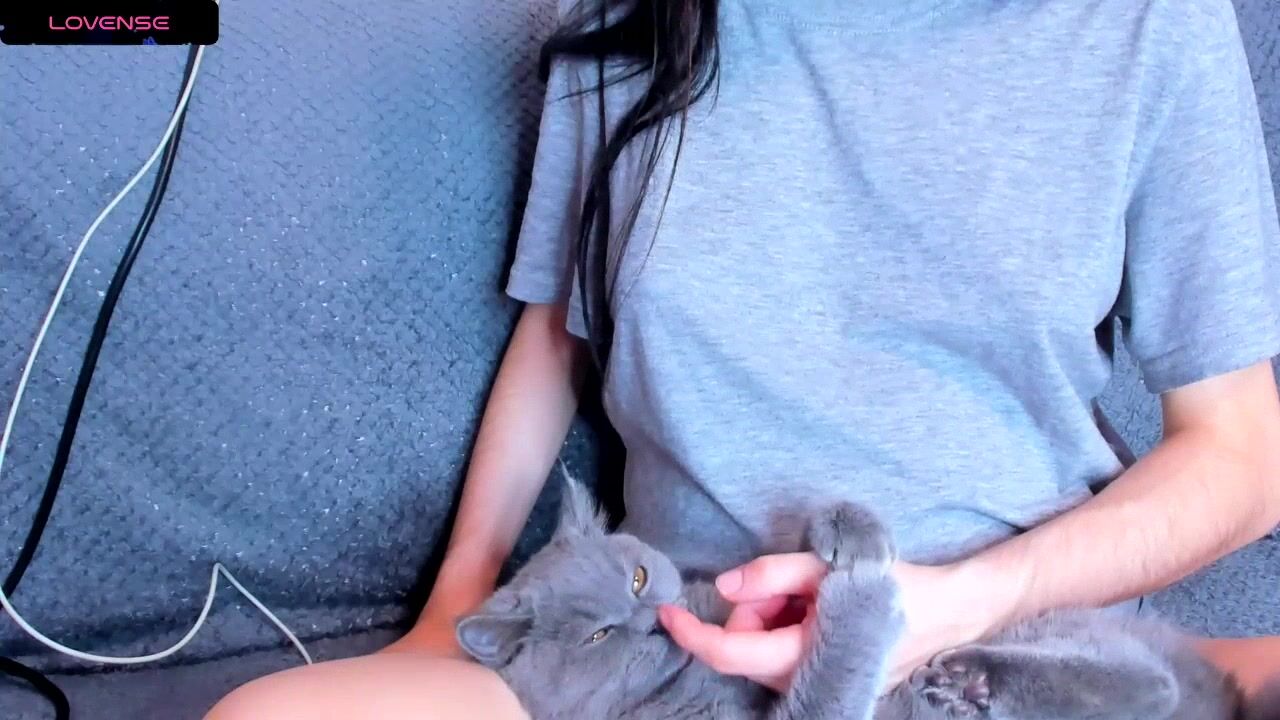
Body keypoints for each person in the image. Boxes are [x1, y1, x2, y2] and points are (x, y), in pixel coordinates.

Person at [209, 0, 1280, 716]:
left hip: (1017, 647)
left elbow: (1241, 455)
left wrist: (960, 605)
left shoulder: (1149, 24)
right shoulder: (636, 24)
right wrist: (456, 600)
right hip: (674, 646)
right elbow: (557, 334)